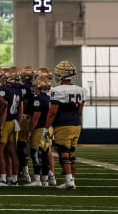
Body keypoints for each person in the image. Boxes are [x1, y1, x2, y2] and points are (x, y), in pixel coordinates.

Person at [44, 60, 85, 190]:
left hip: (63, 124)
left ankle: (69, 181)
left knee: (63, 152)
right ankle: (72, 179)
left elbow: (53, 112)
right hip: (76, 124)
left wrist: (46, 127)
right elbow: (80, 110)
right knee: (71, 153)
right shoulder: (80, 90)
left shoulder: (57, 90)